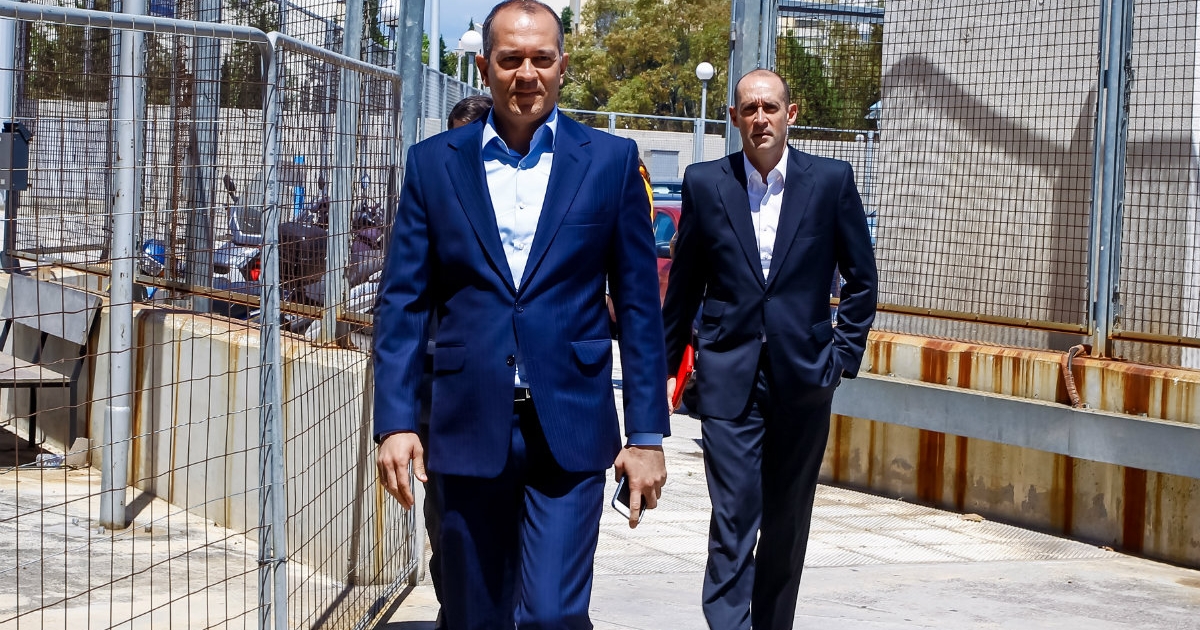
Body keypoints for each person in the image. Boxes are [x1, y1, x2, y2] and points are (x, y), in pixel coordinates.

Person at [373, 1, 670, 628]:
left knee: (552, 617)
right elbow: (403, 302)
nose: (526, 74)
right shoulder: (433, 164)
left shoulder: (610, 162)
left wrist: (646, 436)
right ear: (485, 67)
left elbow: (641, 309)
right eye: (510, 60)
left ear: (563, 65)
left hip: (570, 424)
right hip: (465, 422)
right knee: (473, 615)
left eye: (541, 59)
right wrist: (395, 422)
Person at [661, 69, 878, 630]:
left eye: (771, 107)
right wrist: (663, 369)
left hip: (804, 380)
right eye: (750, 109)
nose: (761, 118)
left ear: (791, 114)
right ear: (735, 117)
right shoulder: (705, 183)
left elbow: (862, 278)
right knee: (733, 518)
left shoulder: (830, 181)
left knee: (786, 523)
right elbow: (684, 288)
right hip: (728, 378)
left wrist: (841, 357)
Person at [416, 92, 494, 630]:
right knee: (446, 522)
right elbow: (403, 297)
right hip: (438, 391)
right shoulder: (433, 187)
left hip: (501, 389)